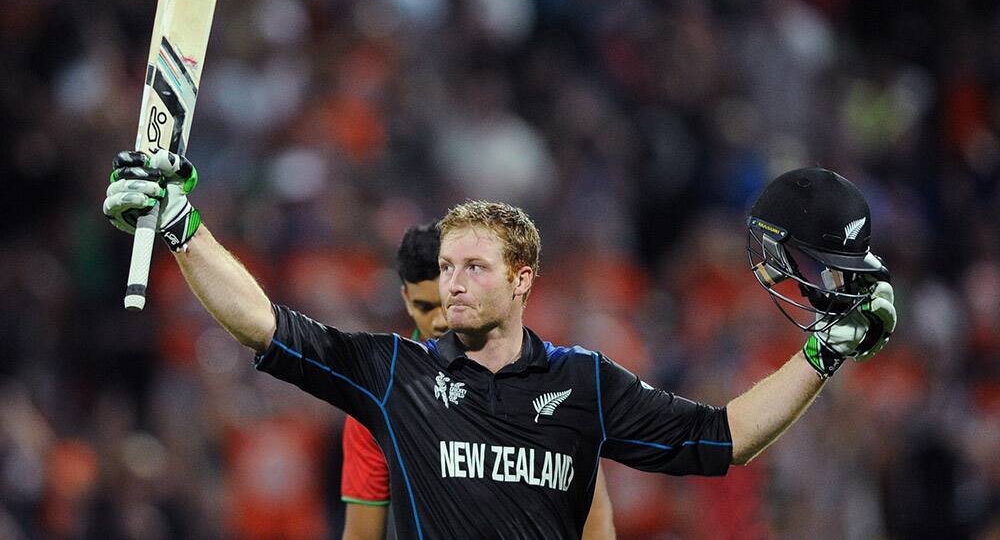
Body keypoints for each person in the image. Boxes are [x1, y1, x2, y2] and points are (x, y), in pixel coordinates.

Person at [104, 152, 897, 539]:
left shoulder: (585, 385)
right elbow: (262, 322)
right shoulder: (393, 374)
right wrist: (185, 229)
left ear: (522, 280)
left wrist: (822, 356)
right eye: (445, 268)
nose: (451, 284)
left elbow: (721, 440)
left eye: (473, 267)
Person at [340, 223, 615, 539]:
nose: (441, 320)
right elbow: (363, 530)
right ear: (408, 302)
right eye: (426, 306)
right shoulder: (383, 395)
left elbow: (591, 510)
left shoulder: (541, 377)